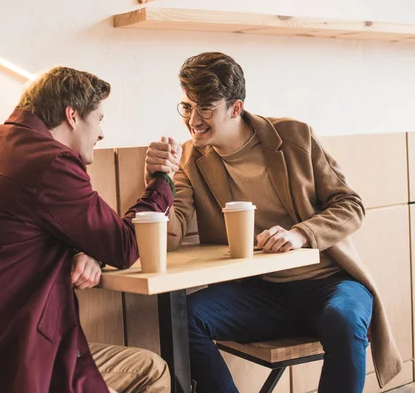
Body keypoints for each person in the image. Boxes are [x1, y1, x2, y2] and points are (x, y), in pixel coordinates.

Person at [144, 52, 402, 393]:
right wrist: (157, 181)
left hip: (330, 282)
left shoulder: (295, 137)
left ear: (235, 108)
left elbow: (351, 205)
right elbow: (171, 235)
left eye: (205, 107)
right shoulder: (190, 160)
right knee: (185, 319)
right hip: (261, 291)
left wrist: (301, 234)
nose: (193, 119)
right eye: (187, 106)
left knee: (343, 319)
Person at [0, 66, 174, 393]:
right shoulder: (51, 162)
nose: (101, 133)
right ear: (72, 115)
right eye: (98, 118)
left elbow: (35, 225)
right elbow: (125, 245)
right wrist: (160, 180)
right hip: (10, 358)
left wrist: (88, 250)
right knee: (150, 371)